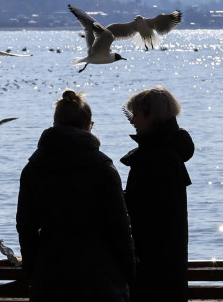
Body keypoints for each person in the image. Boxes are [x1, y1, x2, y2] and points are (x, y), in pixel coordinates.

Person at [16, 90, 136, 302]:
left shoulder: (33, 168)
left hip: (50, 273)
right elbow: (119, 226)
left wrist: (33, 269)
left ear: (54, 124)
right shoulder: (103, 168)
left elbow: (26, 226)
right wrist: (129, 272)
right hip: (100, 276)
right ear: (89, 125)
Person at [120, 87, 194, 302]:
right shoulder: (168, 153)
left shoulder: (156, 158)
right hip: (168, 264)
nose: (132, 122)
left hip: (152, 266)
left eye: (136, 115)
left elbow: (146, 213)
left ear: (151, 116)